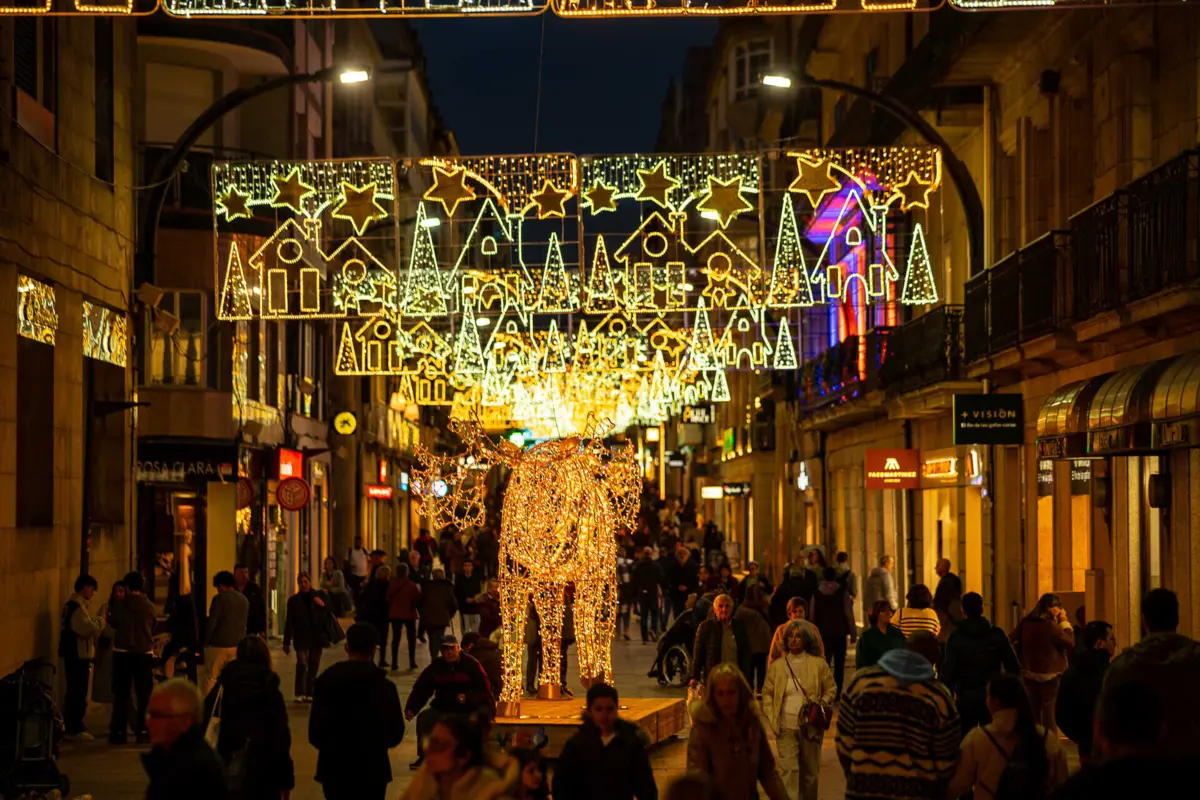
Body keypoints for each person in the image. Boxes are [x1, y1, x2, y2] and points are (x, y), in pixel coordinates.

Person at [836, 648, 960, 800]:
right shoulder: (939, 698)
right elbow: (946, 762)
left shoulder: (860, 684)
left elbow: (844, 744)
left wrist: (857, 774)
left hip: (863, 790)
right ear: (934, 659)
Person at [309, 623, 405, 800]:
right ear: (374, 650)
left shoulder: (326, 683)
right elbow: (396, 732)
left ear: (346, 647)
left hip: (334, 767)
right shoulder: (384, 687)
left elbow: (315, 733)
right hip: (373, 768)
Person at [1101, 587, 1200, 757]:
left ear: (1144, 621)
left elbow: (1108, 721)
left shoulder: (1124, 666)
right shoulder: (1196, 658)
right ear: (1177, 619)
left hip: (1141, 764)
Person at [945, 673, 1069, 800]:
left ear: (995, 702)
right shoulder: (1048, 739)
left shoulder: (977, 739)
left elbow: (956, 786)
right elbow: (1063, 785)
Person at [202, 636, 294, 799]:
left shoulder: (223, 687)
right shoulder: (270, 691)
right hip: (264, 774)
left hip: (227, 766)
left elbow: (204, 720)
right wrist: (285, 782)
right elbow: (281, 739)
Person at [688, 663, 788, 800]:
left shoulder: (752, 725)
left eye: (731, 692)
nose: (726, 700)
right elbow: (697, 779)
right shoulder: (704, 729)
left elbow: (768, 772)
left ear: (740, 693)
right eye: (720, 693)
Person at [762, 620, 836, 800]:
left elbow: (831, 689)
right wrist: (773, 718)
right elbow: (767, 693)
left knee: (809, 776)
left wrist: (821, 703)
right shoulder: (778, 667)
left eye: (798, 636)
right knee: (789, 771)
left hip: (810, 728)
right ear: (785, 640)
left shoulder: (819, 665)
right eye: (790, 637)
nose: (793, 640)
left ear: (806, 640)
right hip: (785, 728)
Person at [553, 683, 657, 800]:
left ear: (616, 709)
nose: (605, 715)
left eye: (610, 709)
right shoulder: (577, 745)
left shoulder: (630, 744)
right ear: (589, 711)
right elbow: (562, 785)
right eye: (599, 709)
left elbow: (645, 785)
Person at [404, 634, 494, 770]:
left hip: (468, 708)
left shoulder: (471, 664)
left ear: (458, 648)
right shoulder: (437, 667)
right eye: (445, 649)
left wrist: (467, 698)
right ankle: (425, 756)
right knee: (425, 719)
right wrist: (412, 707)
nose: (449, 652)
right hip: (443, 707)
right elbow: (422, 688)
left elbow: (484, 688)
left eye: (452, 648)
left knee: (474, 724)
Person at [940, 591, 1021, 734]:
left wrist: (947, 699)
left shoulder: (956, 638)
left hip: (965, 697)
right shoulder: (996, 634)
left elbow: (949, 672)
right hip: (992, 697)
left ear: (963, 610)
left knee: (966, 742)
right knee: (994, 740)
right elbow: (1013, 666)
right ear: (982, 609)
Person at [143, 678, 228, 800]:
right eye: (149, 714)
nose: (148, 723)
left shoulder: (190, 772)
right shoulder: (174, 759)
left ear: (184, 722)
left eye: (157, 715)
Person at [400, 713, 507, 800]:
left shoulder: (489, 791)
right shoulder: (425, 780)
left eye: (439, 746)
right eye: (430, 743)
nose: (428, 751)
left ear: (463, 756)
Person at [1010, 592, 1074, 733]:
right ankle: (1049, 747)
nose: (1060, 612)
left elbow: (1011, 638)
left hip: (1029, 673)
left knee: (1033, 714)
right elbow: (1070, 642)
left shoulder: (1025, 622)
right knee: (1049, 716)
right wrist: (1064, 622)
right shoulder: (1050, 625)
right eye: (1058, 609)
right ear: (1051, 608)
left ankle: (1034, 745)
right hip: (1050, 675)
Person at [1054, 620, 1115, 762]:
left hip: (1085, 748)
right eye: (1112, 639)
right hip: (1111, 748)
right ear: (1100, 643)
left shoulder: (1072, 673)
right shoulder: (1112, 673)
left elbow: (1061, 715)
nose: (1115, 643)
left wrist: (1081, 738)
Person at [109, 570, 157, 745]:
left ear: (127, 587)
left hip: (122, 652)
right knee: (144, 694)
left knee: (121, 694)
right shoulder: (149, 606)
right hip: (144, 653)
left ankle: (119, 731)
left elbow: (113, 622)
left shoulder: (120, 605)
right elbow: (154, 625)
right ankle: (143, 730)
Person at [59, 574, 103, 740]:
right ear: (84, 588)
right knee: (77, 691)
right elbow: (87, 628)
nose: (93, 593)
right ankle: (74, 727)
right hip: (77, 656)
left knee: (74, 690)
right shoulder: (76, 608)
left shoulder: (72, 606)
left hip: (74, 654)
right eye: (92, 589)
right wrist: (100, 622)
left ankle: (74, 724)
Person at [283, 571, 332, 701]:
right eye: (301, 582)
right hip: (301, 637)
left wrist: (321, 605)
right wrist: (286, 641)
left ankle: (310, 692)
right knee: (301, 663)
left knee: (313, 665)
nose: (303, 585)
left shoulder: (318, 596)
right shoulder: (294, 601)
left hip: (316, 636)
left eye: (305, 582)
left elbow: (328, 614)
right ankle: (300, 692)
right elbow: (289, 621)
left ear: (310, 582)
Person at [810, 565, 857, 699]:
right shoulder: (842, 592)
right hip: (839, 632)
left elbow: (812, 615)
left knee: (824, 663)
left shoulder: (816, 593)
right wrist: (853, 632)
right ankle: (837, 690)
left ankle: (824, 691)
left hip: (822, 633)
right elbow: (848, 613)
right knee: (839, 664)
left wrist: (812, 632)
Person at [204, 570, 250, 695]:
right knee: (233, 679)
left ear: (221, 585)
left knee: (211, 677)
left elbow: (212, 622)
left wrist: (205, 642)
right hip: (237, 645)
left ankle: (209, 706)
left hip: (218, 645)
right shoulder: (244, 600)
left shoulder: (219, 599)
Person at [691, 594, 751, 687]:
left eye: (727, 606)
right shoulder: (705, 627)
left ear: (731, 609)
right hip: (714, 679)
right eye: (720, 606)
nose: (724, 609)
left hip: (734, 678)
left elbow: (745, 655)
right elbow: (698, 655)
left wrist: (747, 679)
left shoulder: (739, 628)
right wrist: (694, 677)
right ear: (714, 610)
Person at [734, 584, 773, 692]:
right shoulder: (762, 607)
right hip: (760, 644)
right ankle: (758, 689)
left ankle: (751, 689)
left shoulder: (743, 610)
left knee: (751, 669)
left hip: (751, 645)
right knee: (760, 669)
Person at [163, 572, 199, 682]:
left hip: (179, 640)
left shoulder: (177, 601)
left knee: (168, 658)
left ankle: (168, 682)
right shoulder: (187, 600)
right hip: (187, 640)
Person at [768, 597, 822, 668]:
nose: (798, 614)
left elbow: (819, 651)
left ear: (805, 613)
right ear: (789, 613)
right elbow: (774, 654)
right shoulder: (781, 630)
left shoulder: (812, 629)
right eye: (795, 612)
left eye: (800, 611)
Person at [419, 568, 459, 661]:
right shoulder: (447, 587)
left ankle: (434, 657)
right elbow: (453, 604)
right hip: (441, 618)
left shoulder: (427, 586)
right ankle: (435, 658)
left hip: (428, 618)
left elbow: (420, 602)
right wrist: (449, 615)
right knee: (437, 639)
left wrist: (423, 612)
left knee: (432, 639)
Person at [387, 563, 422, 671]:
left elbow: (387, 598)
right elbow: (417, 599)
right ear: (407, 572)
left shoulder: (392, 584)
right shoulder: (411, 585)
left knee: (395, 638)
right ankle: (412, 661)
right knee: (411, 639)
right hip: (409, 614)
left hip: (395, 614)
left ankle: (394, 662)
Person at [855, 600, 906, 669]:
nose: (888, 613)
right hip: (874, 673)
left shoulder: (896, 633)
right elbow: (861, 661)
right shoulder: (867, 636)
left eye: (889, 611)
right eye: (883, 611)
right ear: (876, 613)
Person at [358, 565, 393, 667]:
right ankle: (382, 659)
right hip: (383, 615)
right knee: (383, 638)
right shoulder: (387, 586)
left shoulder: (371, 584)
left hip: (370, 614)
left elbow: (362, 598)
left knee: (372, 637)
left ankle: (371, 659)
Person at [769, 566, 818, 630]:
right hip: (804, 624)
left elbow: (774, 607)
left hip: (785, 623)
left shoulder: (782, 588)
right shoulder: (808, 589)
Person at [632, 546, 664, 643]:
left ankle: (644, 637)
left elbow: (634, 579)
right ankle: (653, 629)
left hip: (642, 592)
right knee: (654, 613)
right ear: (651, 554)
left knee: (644, 615)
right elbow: (661, 578)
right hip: (652, 592)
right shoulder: (655, 565)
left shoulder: (638, 565)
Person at [461, 631, 503, 701]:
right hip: (508, 691)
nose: (466, 653)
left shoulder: (475, 657)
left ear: (470, 646)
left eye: (465, 650)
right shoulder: (497, 651)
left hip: (493, 694)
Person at [932, 558, 962, 641]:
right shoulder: (954, 580)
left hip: (946, 615)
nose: (935, 568)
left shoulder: (946, 582)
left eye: (937, 566)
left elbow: (942, 599)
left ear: (942, 568)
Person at [666, 546, 699, 620]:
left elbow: (695, 581)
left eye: (684, 554)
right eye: (680, 554)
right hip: (676, 595)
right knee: (677, 613)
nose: (682, 556)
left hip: (688, 594)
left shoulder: (693, 566)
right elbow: (669, 580)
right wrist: (677, 586)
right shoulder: (673, 566)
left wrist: (688, 587)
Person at [234, 562, 266, 637]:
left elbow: (261, 609)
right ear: (235, 573)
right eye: (241, 573)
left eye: (246, 572)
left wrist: (261, 629)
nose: (244, 576)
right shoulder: (231, 588)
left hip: (251, 628)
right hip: (235, 628)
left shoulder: (254, 588)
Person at [455, 559, 483, 635]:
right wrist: (465, 599)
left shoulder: (476, 579)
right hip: (465, 609)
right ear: (463, 567)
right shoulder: (459, 580)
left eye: (469, 565)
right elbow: (457, 593)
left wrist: (476, 598)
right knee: (466, 630)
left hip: (475, 608)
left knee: (476, 629)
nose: (467, 568)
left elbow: (479, 591)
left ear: (472, 567)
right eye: (465, 565)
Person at [346, 536, 371, 601]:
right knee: (356, 591)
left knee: (364, 592)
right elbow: (346, 562)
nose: (359, 543)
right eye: (357, 542)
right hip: (355, 575)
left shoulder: (364, 551)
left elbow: (369, 561)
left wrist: (368, 572)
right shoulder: (351, 551)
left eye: (360, 542)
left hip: (364, 575)